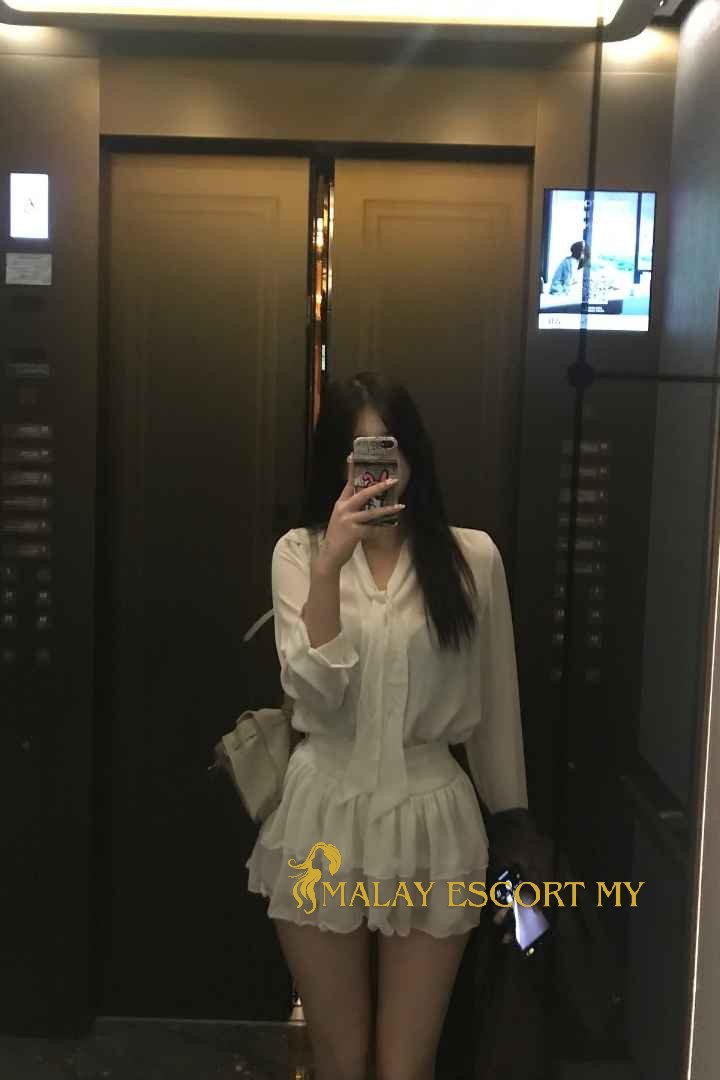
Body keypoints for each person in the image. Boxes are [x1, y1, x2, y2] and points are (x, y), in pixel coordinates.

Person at [245, 371, 529, 1080]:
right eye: (359, 451)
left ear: (412, 454)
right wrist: (330, 565)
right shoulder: (299, 553)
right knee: (342, 1060)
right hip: (323, 814)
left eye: (387, 447)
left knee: (407, 1065)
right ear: (337, 463)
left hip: (434, 821)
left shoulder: (472, 558)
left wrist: (515, 827)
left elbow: (495, 705)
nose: (376, 468)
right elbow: (312, 696)